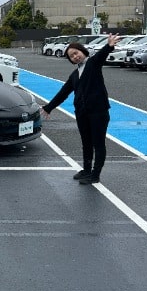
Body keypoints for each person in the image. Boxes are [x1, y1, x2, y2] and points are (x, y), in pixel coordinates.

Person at [40, 33, 122, 184]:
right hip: (82, 113)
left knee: (98, 143)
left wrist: (109, 45)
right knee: (86, 143)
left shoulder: (92, 64)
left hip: (98, 112)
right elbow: (63, 92)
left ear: (83, 51)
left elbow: (101, 55)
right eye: (71, 56)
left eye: (76, 53)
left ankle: (95, 175)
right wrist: (48, 107)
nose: (75, 57)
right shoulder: (75, 74)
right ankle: (86, 170)